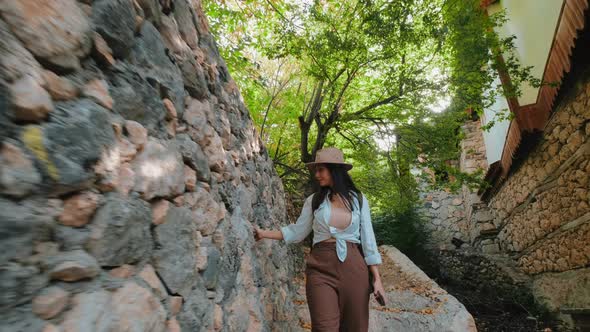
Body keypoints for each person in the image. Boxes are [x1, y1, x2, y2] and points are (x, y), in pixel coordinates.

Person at [253, 147, 385, 331]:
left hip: (354, 268)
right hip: (320, 268)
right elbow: (297, 232)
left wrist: (377, 278)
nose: (317, 174)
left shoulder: (359, 200)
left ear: (335, 170)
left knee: (355, 326)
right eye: (316, 170)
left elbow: (368, 240)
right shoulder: (314, 201)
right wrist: (263, 233)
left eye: (321, 169)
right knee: (324, 327)